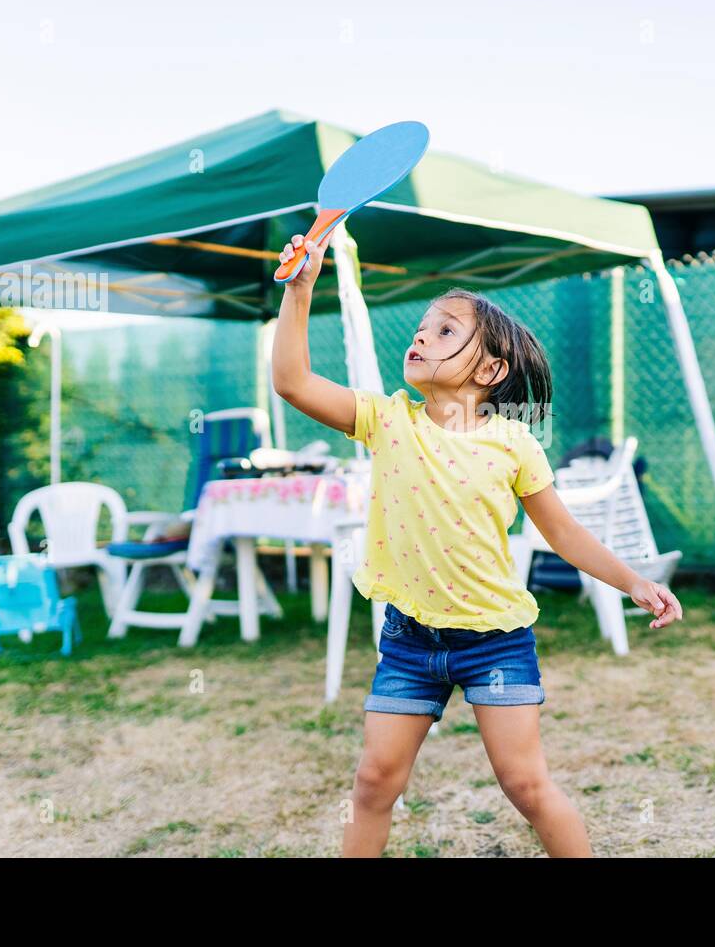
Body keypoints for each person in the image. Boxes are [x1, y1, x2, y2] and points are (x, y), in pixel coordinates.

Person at [271, 233, 683, 857]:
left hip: (495, 641)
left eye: (443, 332)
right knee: (374, 782)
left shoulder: (515, 444)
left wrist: (634, 580)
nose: (419, 337)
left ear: (490, 371)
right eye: (422, 327)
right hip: (410, 641)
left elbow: (563, 531)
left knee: (525, 783)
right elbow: (293, 382)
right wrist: (300, 291)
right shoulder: (386, 420)